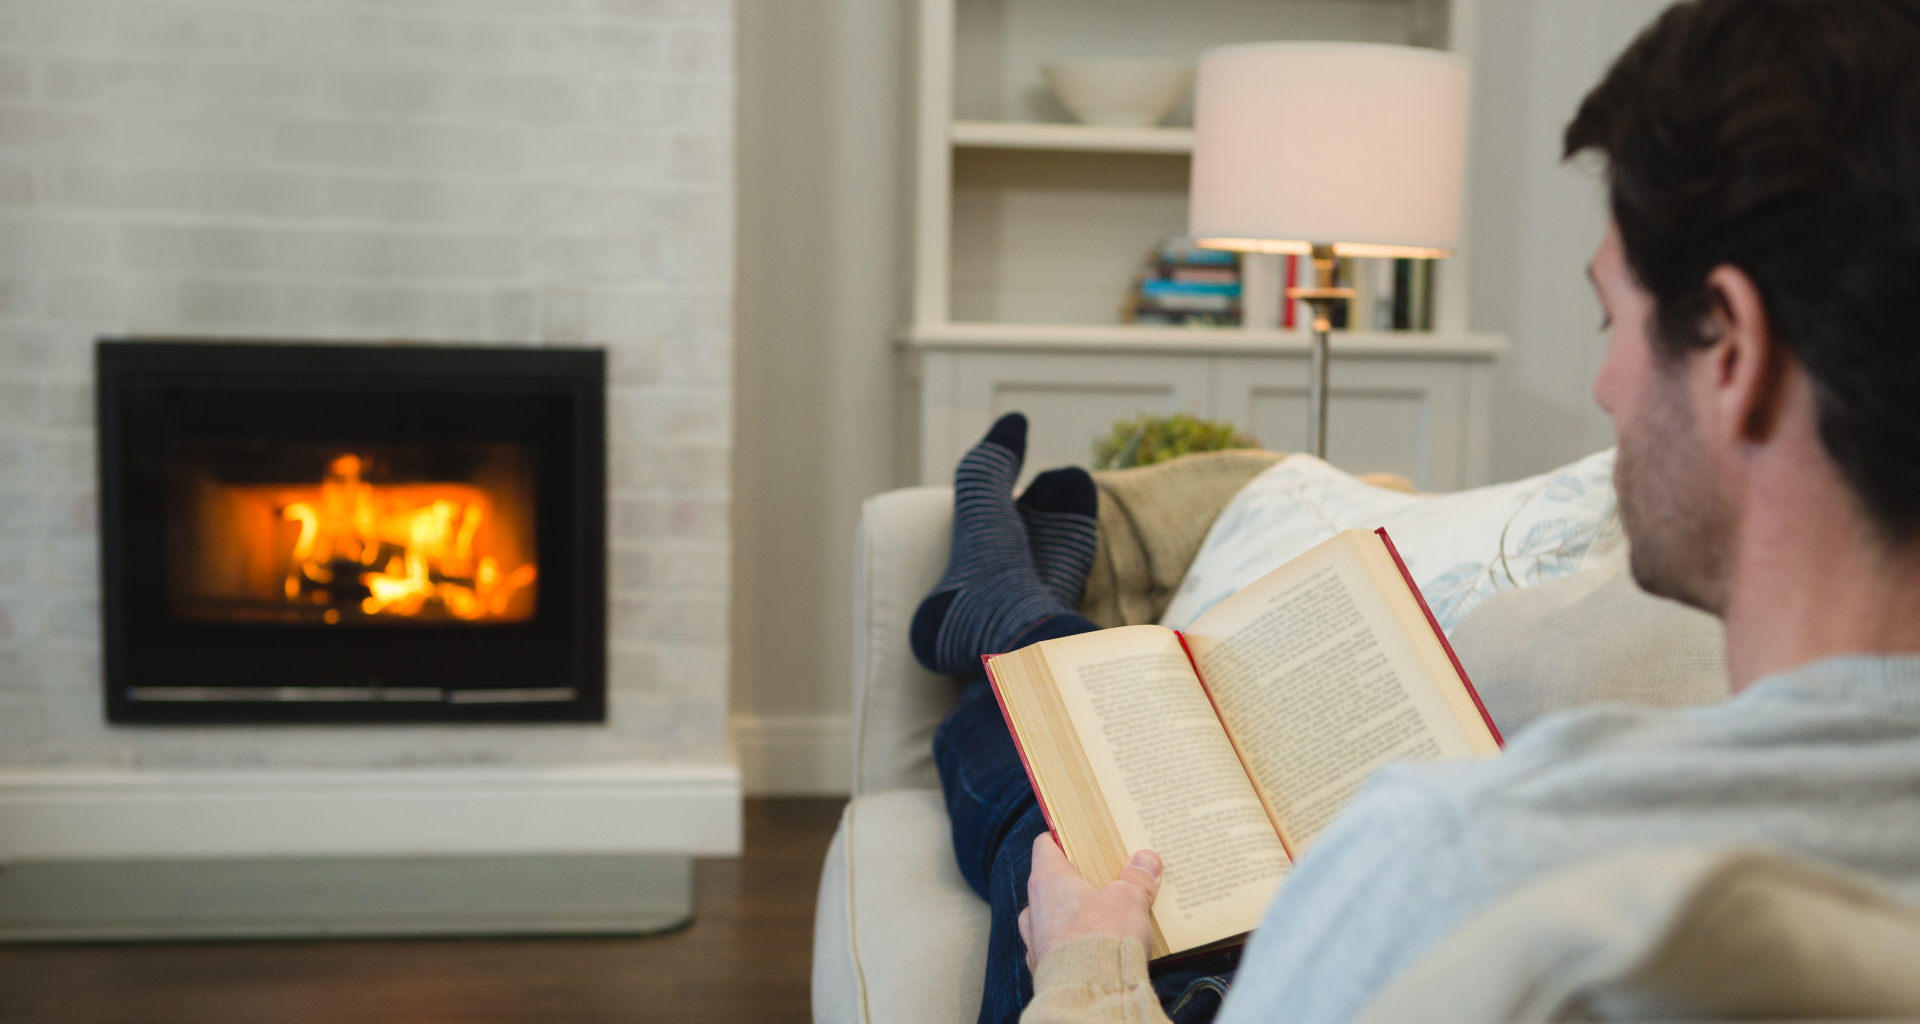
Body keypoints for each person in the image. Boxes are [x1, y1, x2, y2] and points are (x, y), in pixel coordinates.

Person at [908, 1, 1920, 1022]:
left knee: (1072, 845)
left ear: (1732, 355)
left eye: (1616, 317)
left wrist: (1089, 973)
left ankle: (1010, 612)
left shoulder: (1462, 865)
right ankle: (1012, 609)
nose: (1608, 384)